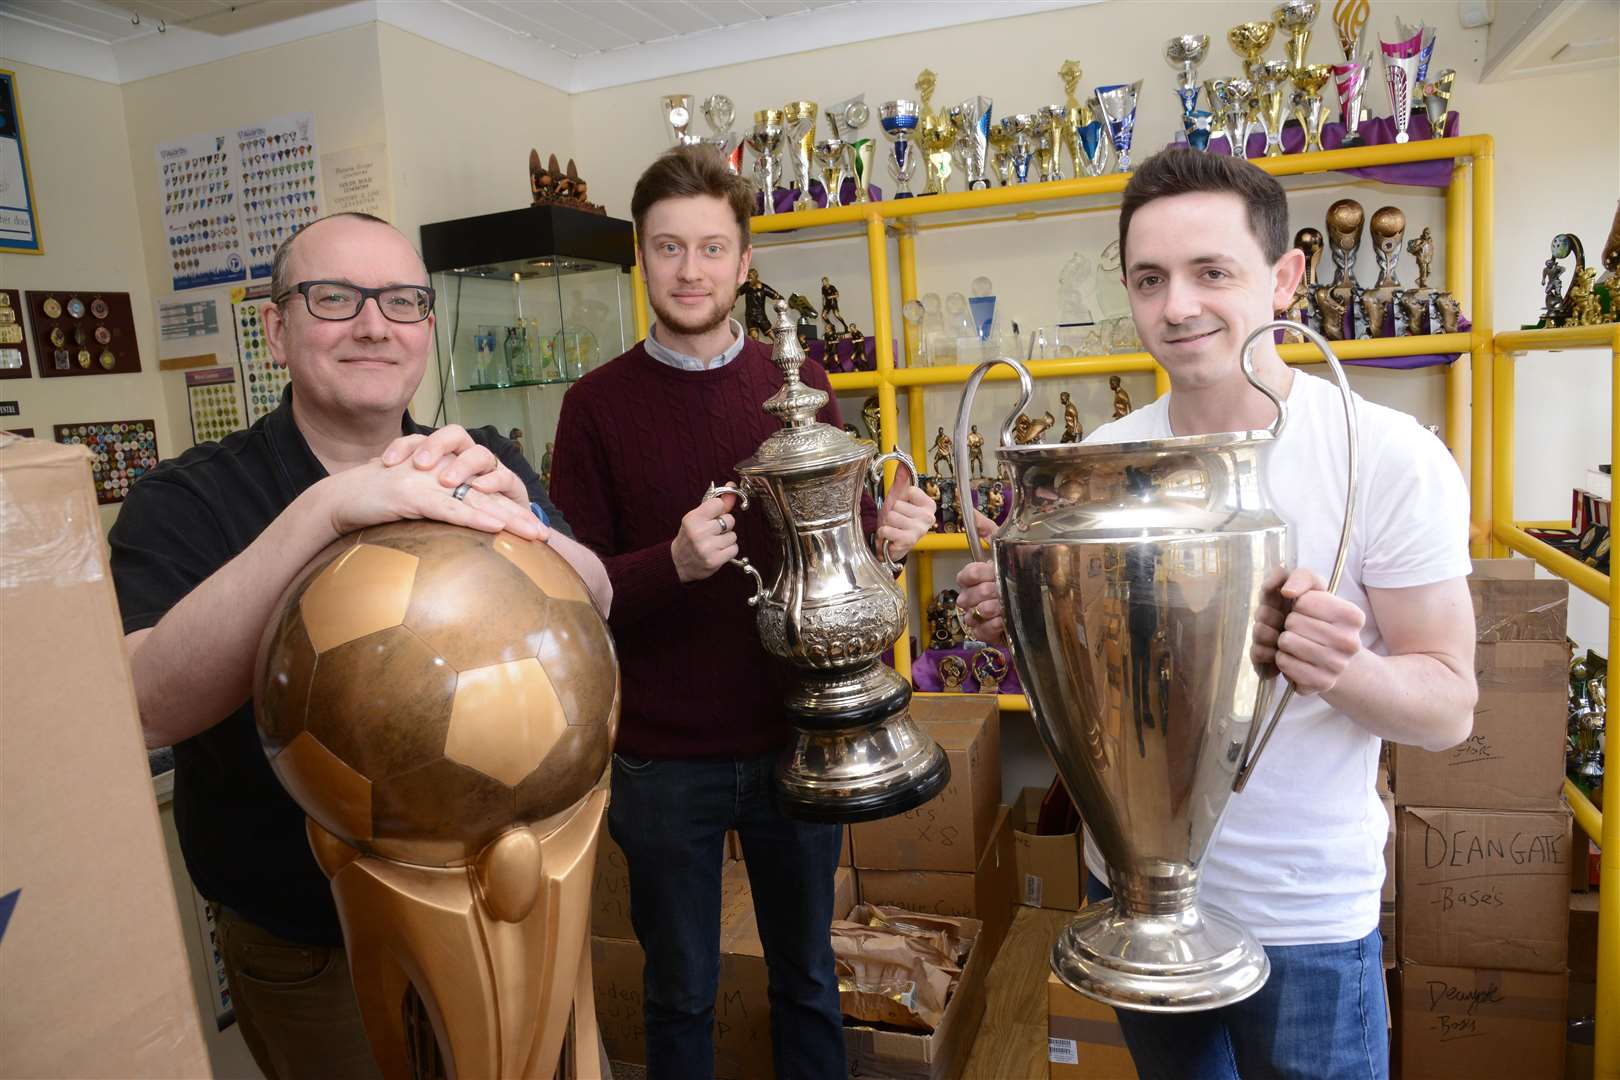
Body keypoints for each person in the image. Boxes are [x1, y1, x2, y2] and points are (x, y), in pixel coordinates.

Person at [955, 149, 1477, 1080]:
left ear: (1284, 277)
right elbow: (1102, 692)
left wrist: (1339, 668)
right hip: (1137, 902)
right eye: (1150, 279)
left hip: (1303, 918)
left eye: (1211, 272)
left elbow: (1448, 708)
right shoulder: (1106, 461)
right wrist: (1031, 624)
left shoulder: (1387, 456)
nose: (1178, 307)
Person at [109, 211, 610, 1080]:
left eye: (403, 301)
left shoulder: (477, 456)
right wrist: (324, 511)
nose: (374, 324)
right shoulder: (187, 497)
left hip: (506, 904)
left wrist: (525, 520)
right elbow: (147, 706)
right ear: (276, 327)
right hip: (310, 943)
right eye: (335, 298)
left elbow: (595, 598)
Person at [547, 145, 935, 1080]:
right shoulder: (595, 407)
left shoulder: (797, 391)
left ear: (745, 261)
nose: (691, 270)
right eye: (669, 248)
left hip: (796, 739)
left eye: (711, 248)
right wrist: (669, 566)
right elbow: (569, 589)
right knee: (680, 988)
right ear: (639, 258)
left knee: (806, 975)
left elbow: (846, 542)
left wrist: (893, 536)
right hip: (661, 756)